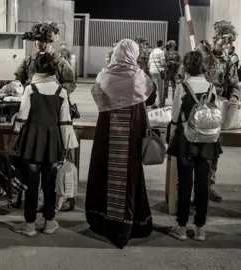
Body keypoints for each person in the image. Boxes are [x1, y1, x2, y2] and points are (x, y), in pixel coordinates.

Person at [86, 39, 156, 249]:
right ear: (133, 54)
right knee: (129, 177)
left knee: (105, 174)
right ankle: (129, 223)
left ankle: (104, 220)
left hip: (107, 136)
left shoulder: (103, 76)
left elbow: (97, 97)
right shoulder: (140, 77)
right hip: (131, 136)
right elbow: (151, 99)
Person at [11, 52, 78, 237]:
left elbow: (23, 117)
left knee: (32, 184)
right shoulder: (61, 91)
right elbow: (65, 122)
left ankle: (30, 225)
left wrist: (16, 128)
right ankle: (49, 223)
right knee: (50, 184)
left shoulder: (30, 89)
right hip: (53, 140)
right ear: (54, 70)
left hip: (33, 140)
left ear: (37, 69)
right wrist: (68, 145)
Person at [179, 21, 241, 203]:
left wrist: (235, 97)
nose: (226, 45)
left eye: (230, 42)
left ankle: (207, 186)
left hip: (215, 110)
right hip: (194, 107)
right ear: (216, 38)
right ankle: (185, 188)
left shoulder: (228, 61)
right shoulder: (199, 53)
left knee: (211, 150)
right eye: (224, 40)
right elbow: (183, 77)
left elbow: (234, 83)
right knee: (190, 148)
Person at [167, 51, 222, 241]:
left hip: (187, 140)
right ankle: (200, 228)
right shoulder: (211, 87)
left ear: (185, 65)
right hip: (207, 141)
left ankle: (181, 227)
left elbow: (174, 117)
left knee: (184, 183)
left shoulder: (183, 87)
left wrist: (171, 137)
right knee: (202, 184)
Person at [15, 21, 76, 95]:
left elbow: (71, 83)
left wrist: (58, 91)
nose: (38, 42)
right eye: (36, 39)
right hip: (33, 100)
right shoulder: (29, 60)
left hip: (53, 102)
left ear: (49, 42)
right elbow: (18, 80)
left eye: (42, 40)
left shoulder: (60, 62)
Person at [148, 40, 166, 107]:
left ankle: (153, 104)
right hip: (159, 72)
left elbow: (148, 64)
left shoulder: (151, 53)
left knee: (153, 88)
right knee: (160, 88)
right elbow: (163, 63)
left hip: (151, 71)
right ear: (162, 45)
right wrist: (166, 65)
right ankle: (160, 103)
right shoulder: (161, 52)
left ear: (156, 44)